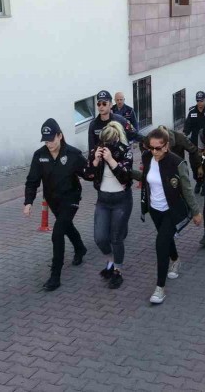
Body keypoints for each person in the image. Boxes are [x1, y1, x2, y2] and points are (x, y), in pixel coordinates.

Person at [24, 118, 91, 291]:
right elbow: (32, 181)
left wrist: (99, 171)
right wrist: (28, 201)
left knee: (58, 233)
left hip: (71, 198)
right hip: (53, 200)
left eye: (51, 140)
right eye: (46, 141)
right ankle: (80, 248)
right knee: (66, 226)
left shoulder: (73, 154)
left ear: (60, 136)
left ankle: (55, 276)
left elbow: (89, 173)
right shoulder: (39, 156)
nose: (49, 144)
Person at [139, 128, 202, 304]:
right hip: (154, 209)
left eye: (158, 148)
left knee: (160, 244)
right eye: (151, 147)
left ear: (166, 146)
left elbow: (187, 189)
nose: (154, 151)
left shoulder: (177, 163)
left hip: (171, 210)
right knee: (165, 238)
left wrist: (196, 212)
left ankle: (160, 288)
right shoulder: (147, 157)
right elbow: (144, 178)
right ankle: (175, 259)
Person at [89, 121, 135, 289]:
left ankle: (117, 270)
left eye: (109, 142)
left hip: (121, 200)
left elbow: (126, 176)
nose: (105, 145)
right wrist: (95, 161)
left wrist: (111, 160)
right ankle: (110, 261)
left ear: (116, 138)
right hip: (103, 199)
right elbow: (88, 174)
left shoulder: (125, 150)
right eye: (103, 142)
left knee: (116, 238)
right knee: (100, 238)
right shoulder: (98, 150)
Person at [183, 91, 205, 194]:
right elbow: (187, 127)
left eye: (201, 101)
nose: (199, 103)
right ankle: (198, 181)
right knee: (194, 164)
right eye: (198, 101)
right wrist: (185, 135)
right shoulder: (192, 111)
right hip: (194, 144)